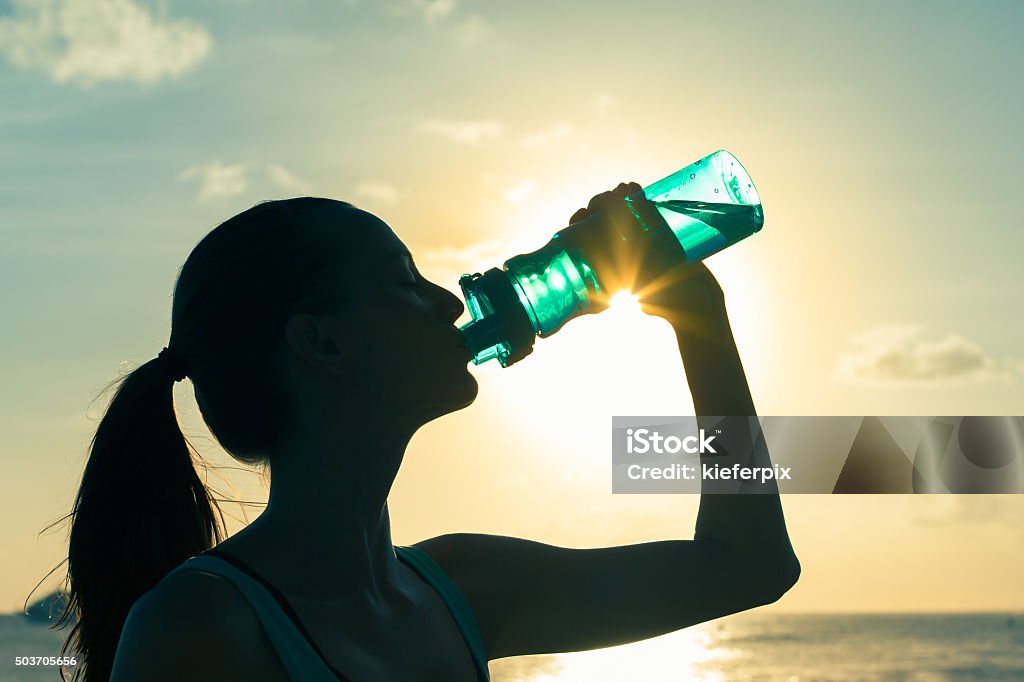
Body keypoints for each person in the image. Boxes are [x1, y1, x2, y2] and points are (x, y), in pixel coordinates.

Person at [56, 184, 799, 681]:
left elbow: (751, 566)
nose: (448, 301)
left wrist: (700, 325)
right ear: (322, 344)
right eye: (405, 280)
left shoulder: (464, 589)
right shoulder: (199, 630)